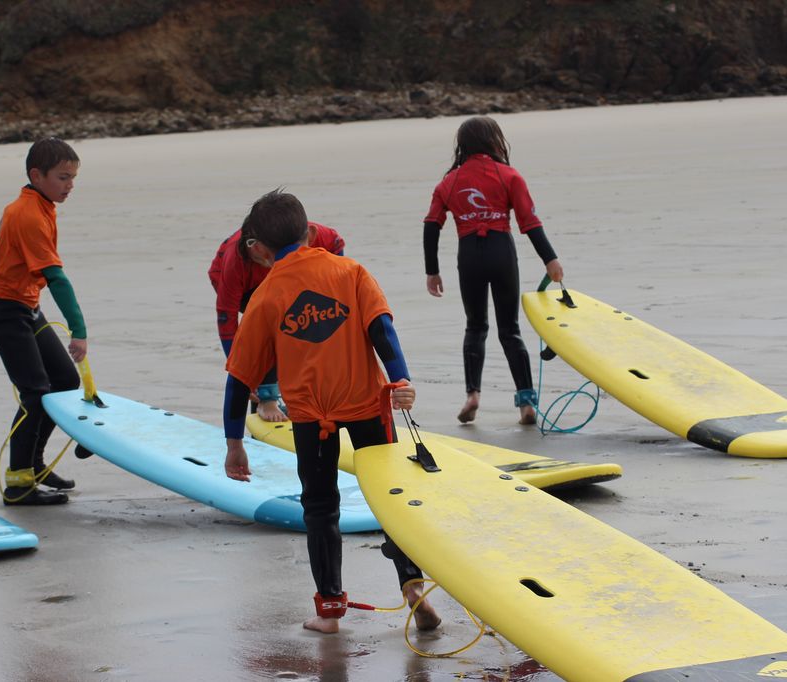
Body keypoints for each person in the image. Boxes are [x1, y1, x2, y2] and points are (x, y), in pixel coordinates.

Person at [222, 190, 439, 634]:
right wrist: (400, 379)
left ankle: (331, 611)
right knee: (392, 499)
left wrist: (234, 442)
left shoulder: (265, 296)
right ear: (309, 232)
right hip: (368, 404)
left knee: (321, 509)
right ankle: (413, 586)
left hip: (311, 419)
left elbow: (239, 379)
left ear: (259, 250)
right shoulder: (350, 271)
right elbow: (383, 330)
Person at [423, 116, 564, 425]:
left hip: (469, 256)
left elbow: (431, 225)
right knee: (510, 330)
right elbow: (530, 223)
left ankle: (472, 395)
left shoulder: (449, 182)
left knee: (475, 327)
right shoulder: (509, 175)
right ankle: (526, 403)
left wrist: (432, 270)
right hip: (501, 252)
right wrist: (550, 259)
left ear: (463, 145)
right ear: (494, 141)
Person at [0, 137, 87, 505]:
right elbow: (56, 278)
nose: (70, 185)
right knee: (36, 393)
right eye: (63, 178)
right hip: (5, 311)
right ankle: (19, 483)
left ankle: (35, 465)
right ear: (36, 175)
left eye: (73, 178)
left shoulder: (40, 204)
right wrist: (79, 330)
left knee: (64, 381)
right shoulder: (27, 215)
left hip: (25, 306)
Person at [209, 220, 345, 422]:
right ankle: (267, 399)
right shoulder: (235, 262)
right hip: (246, 285)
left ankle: (307, 391)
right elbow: (226, 321)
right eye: (258, 253)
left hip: (292, 269)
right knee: (266, 327)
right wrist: (243, 374)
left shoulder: (310, 234)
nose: (265, 257)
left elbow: (336, 247)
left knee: (309, 324)